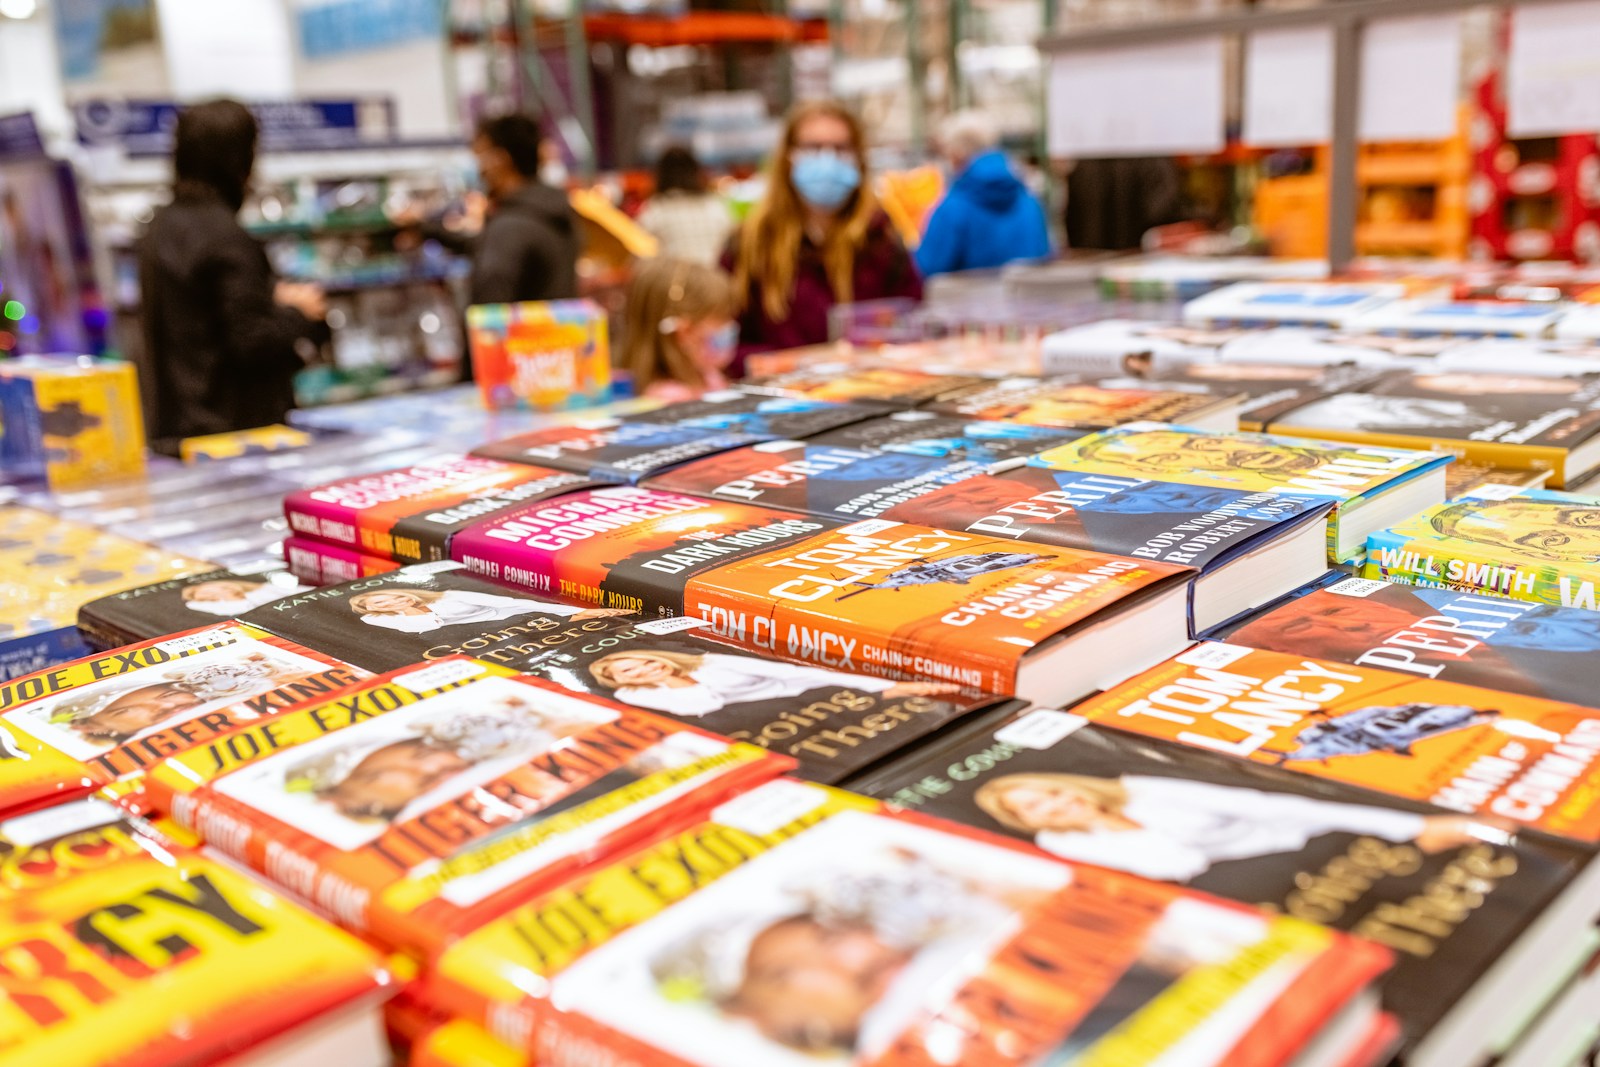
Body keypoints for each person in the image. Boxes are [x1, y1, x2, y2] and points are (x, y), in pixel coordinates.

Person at [136, 100, 329, 452]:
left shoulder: (159, 226)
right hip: (234, 437)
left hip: (176, 431)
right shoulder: (225, 236)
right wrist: (299, 313)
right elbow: (251, 341)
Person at [974, 772, 1487, 884]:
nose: (1057, 805)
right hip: (1249, 883)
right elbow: (1182, 865)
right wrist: (1101, 824)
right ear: (1025, 823)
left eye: (1053, 790)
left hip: (1313, 843)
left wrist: (1411, 825)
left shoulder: (1139, 786)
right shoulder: (1057, 843)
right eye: (1036, 807)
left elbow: (1265, 804)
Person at [723, 101, 922, 360]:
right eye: (813, 147)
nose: (827, 160)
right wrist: (788, 363)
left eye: (840, 148)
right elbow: (724, 341)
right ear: (788, 156)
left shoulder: (882, 239)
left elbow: (913, 322)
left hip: (871, 388)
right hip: (780, 394)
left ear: (858, 158)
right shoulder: (750, 243)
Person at [418, 114, 580, 309]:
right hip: (557, 336)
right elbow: (480, 243)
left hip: (520, 339)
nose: (478, 170)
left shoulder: (509, 228)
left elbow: (487, 316)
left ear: (500, 160)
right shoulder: (548, 211)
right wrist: (427, 228)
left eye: (479, 157)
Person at [586, 648, 960, 717]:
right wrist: (674, 683)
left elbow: (795, 674)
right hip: (760, 719)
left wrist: (872, 685)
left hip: (815, 695)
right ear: (621, 682)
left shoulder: (708, 659)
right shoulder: (632, 695)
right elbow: (706, 707)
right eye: (631, 672)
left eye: (647, 661)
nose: (648, 670)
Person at [913, 111, 1051, 277]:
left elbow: (927, 268)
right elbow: (1045, 256)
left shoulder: (952, 209)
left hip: (967, 302)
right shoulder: (1030, 202)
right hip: (1028, 300)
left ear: (956, 154)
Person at [620, 258, 739, 401]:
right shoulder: (668, 398)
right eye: (721, 319)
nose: (730, 326)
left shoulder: (707, 374)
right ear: (685, 332)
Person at [348, 587, 635, 635]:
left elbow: (510, 605)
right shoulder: (371, 618)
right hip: (464, 640)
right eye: (381, 603)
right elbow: (428, 628)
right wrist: (407, 610)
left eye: (393, 596)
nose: (392, 602)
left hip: (515, 623)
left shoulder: (448, 594)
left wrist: (572, 611)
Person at [636, 146, 734, 265]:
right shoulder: (716, 206)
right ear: (697, 173)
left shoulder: (655, 210)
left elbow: (639, 254)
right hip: (716, 279)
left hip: (674, 281)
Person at [182, 577, 309, 616]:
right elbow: (246, 608)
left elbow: (309, 592)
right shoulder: (231, 606)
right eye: (210, 598)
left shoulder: (263, 587)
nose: (214, 595)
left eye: (210, 591)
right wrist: (232, 597)